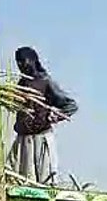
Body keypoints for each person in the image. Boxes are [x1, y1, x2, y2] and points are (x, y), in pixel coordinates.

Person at [11, 46, 78, 184]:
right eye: (18, 62)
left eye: (23, 61)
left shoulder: (45, 81)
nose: (20, 65)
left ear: (32, 61)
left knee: (45, 179)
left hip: (41, 139)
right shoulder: (21, 83)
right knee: (26, 181)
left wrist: (54, 116)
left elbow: (71, 105)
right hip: (25, 141)